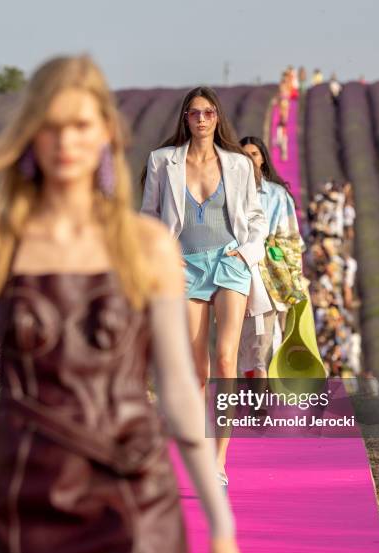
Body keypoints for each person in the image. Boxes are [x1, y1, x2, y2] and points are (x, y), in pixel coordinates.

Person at [0, 55, 248, 553]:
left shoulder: (146, 246)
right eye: (52, 125)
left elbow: (179, 393)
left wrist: (220, 526)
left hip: (133, 501)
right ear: (31, 134)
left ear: (106, 133)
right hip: (23, 504)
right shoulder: (4, 244)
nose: (66, 141)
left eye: (81, 125)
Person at [141, 86, 271, 489]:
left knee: (228, 359)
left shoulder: (237, 164)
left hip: (229, 263)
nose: (201, 119)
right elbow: (147, 215)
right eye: (194, 113)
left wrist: (247, 255)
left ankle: (219, 462)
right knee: (197, 367)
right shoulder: (163, 161)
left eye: (208, 113)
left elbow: (255, 217)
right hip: (185, 267)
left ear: (218, 118)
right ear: (185, 117)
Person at [238, 136, 306, 378]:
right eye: (243, 154)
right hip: (236, 272)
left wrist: (294, 280)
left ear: (263, 159)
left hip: (267, 277)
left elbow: (291, 239)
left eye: (254, 154)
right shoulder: (227, 193)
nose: (249, 159)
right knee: (243, 344)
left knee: (262, 341)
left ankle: (262, 404)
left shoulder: (276, 195)